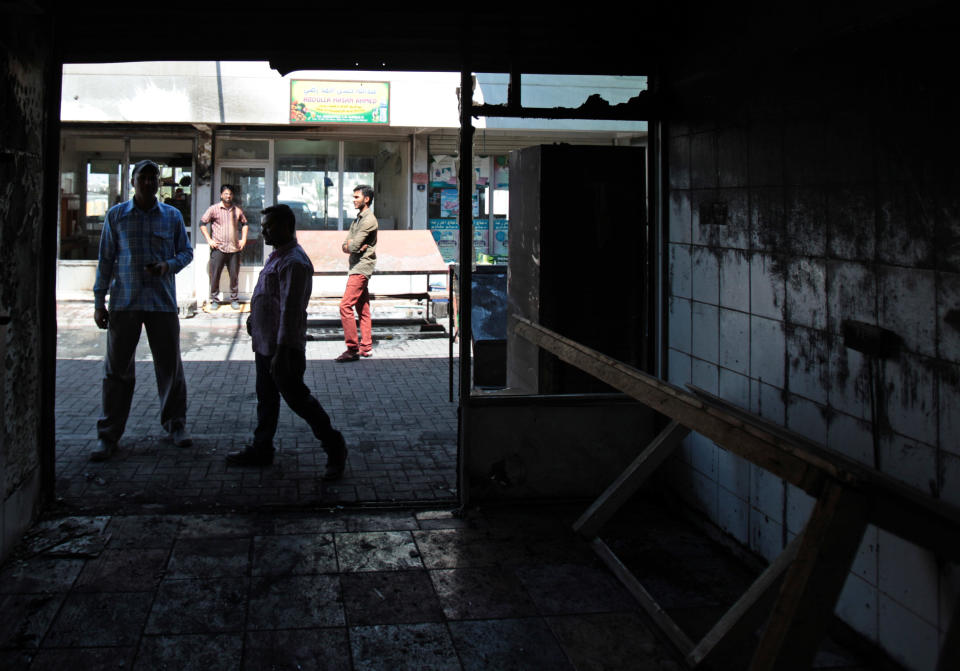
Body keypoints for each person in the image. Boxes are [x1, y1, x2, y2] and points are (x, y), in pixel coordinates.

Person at [227, 204, 348, 479]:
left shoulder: (294, 262)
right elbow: (268, 295)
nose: (264, 230)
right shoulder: (277, 256)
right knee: (266, 399)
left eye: (269, 226)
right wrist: (252, 318)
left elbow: (291, 312)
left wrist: (282, 353)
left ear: (285, 227)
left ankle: (334, 445)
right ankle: (262, 448)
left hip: (283, 349)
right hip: (266, 345)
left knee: (299, 400)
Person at [91, 159, 194, 461]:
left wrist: (167, 266)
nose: (148, 182)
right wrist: (99, 302)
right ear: (133, 181)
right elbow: (106, 260)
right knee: (116, 372)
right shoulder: (117, 216)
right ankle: (108, 436)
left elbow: (186, 252)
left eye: (153, 178)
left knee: (170, 367)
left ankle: (176, 425)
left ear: (159, 183)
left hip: (161, 303)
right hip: (125, 302)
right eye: (143, 177)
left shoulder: (172, 216)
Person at [336, 184, 378, 362]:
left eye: (356, 197)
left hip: (361, 268)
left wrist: (352, 245)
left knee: (345, 306)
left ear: (366, 199)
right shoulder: (358, 219)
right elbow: (346, 245)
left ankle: (352, 349)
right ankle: (366, 347)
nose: (353, 200)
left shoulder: (368, 220)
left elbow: (351, 246)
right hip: (356, 265)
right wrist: (351, 246)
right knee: (363, 308)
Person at [200, 184, 248, 310]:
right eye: (226, 193)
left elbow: (245, 224)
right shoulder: (213, 209)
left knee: (234, 276)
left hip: (234, 249)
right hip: (218, 249)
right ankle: (215, 299)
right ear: (221, 195)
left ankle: (234, 299)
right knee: (215, 275)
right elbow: (202, 223)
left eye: (230, 194)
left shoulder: (237, 210)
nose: (228, 196)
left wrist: (243, 239)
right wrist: (209, 240)